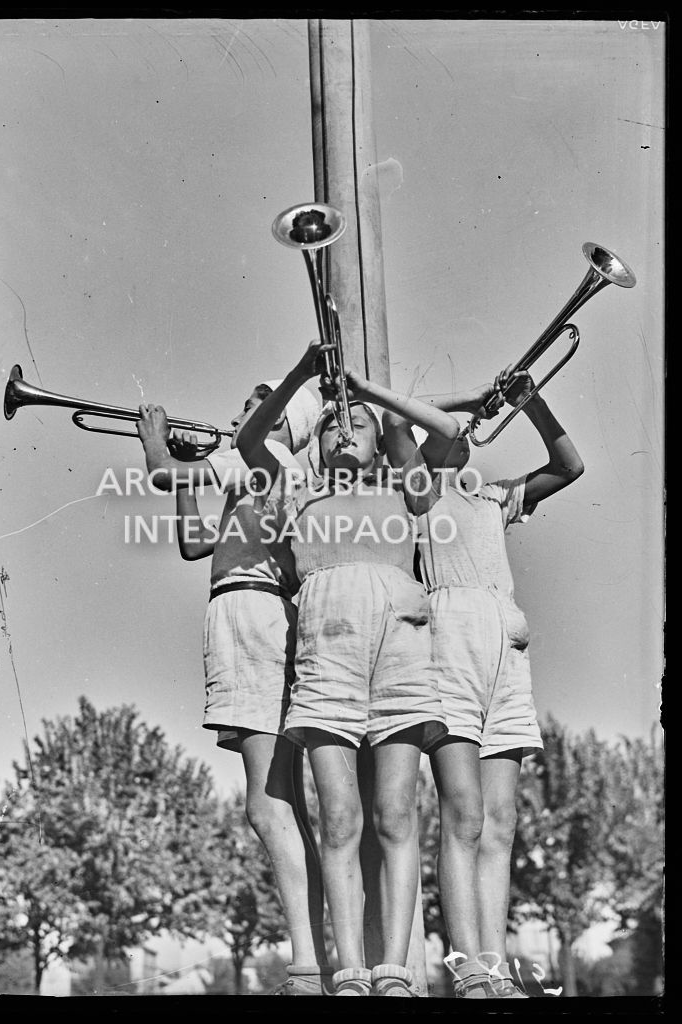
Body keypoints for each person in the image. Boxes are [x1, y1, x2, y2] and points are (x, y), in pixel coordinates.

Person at [235, 339, 462, 997]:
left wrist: (372, 398)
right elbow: (253, 439)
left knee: (395, 814)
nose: (344, 428)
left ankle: (393, 967)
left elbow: (446, 432)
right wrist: (303, 381)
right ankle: (350, 971)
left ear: (380, 438)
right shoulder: (294, 485)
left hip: (401, 651)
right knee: (339, 818)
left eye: (356, 422)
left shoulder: (405, 485)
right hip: (325, 650)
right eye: (332, 421)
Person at [382, 367, 585, 998]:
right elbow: (394, 420)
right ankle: (468, 967)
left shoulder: (496, 496)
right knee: (463, 814)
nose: (464, 431)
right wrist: (472, 397)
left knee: (500, 821)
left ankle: (495, 974)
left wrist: (533, 403)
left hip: (506, 643)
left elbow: (568, 465)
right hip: (451, 639)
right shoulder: (415, 490)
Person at [136, 379, 336, 996]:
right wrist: (192, 463)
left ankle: (308, 965)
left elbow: (164, 477)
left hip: (251, 614)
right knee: (281, 803)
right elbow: (195, 543)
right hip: (242, 610)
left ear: (281, 422)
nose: (236, 414)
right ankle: (314, 960)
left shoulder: (262, 458)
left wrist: (155, 444)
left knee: (267, 804)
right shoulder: (250, 468)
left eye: (251, 407)